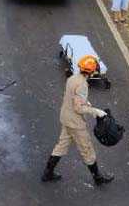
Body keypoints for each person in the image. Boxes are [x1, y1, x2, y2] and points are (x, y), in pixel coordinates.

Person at [41, 55, 114, 185]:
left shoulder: (72, 78)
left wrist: (85, 102)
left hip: (65, 117)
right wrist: (96, 112)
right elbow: (79, 108)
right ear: (91, 71)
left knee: (61, 145)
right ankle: (98, 178)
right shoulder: (82, 85)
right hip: (75, 123)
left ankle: (48, 173)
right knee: (87, 150)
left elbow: (73, 97)